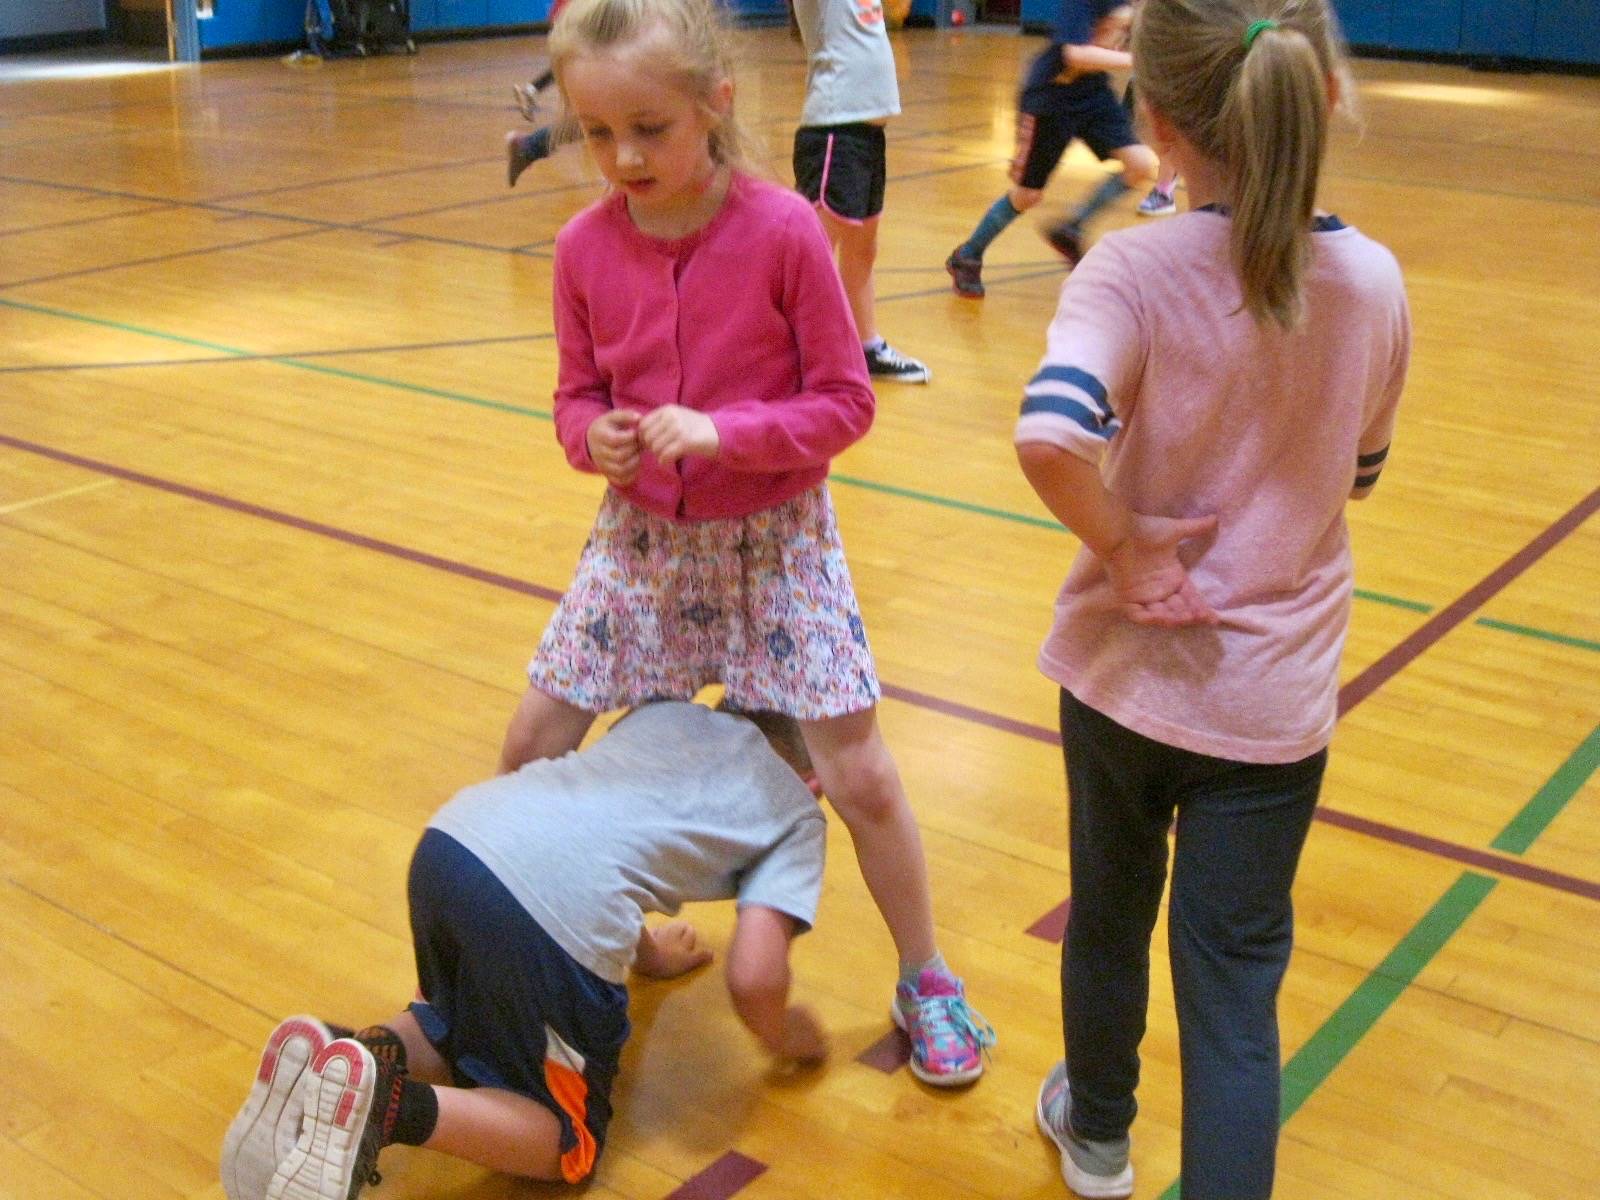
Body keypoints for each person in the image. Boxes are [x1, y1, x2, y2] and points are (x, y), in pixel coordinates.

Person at [497, 0, 994, 1086]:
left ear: (714, 106)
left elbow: (845, 404)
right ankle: (634, 944)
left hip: (777, 543)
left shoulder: (779, 234)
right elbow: (573, 399)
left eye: (650, 128)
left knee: (856, 772)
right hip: (643, 546)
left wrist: (728, 433)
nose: (623, 157)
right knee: (530, 746)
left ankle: (928, 977)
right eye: (596, 133)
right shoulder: (583, 247)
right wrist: (600, 440)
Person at [1012, 2, 1409, 1197]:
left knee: (1109, 919)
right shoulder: (1374, 280)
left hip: (1128, 679)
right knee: (1233, 990)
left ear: (1154, 120)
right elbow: (1363, 473)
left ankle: (1097, 1139)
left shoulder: (1131, 266)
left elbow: (1049, 433)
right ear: (1322, 97)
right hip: (1271, 706)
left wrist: (1126, 545)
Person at [220, 702, 830, 1200]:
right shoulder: (797, 813)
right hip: (547, 914)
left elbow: (602, 835)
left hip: (456, 841)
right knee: (565, 1145)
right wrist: (784, 1034)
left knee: (456, 1027)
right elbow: (754, 976)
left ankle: (331, 1055)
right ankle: (386, 1105)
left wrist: (649, 956)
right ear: (816, 780)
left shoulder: (666, 714)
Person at [945, 2, 1157, 298]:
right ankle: (967, 254)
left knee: (1141, 165)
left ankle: (1072, 229)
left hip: (1092, 93)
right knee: (1028, 194)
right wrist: (1137, 62)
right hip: (1050, 97)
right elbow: (1075, 53)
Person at [790, 0, 930, 382]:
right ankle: (779, 352)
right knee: (810, 252)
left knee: (862, 249)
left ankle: (867, 348)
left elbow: (898, 12)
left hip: (867, 133)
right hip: (835, 127)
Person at [506, 0, 574, 187]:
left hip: (572, 20)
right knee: (597, 122)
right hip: (575, 20)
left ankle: (529, 145)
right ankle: (529, 145)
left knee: (594, 123)